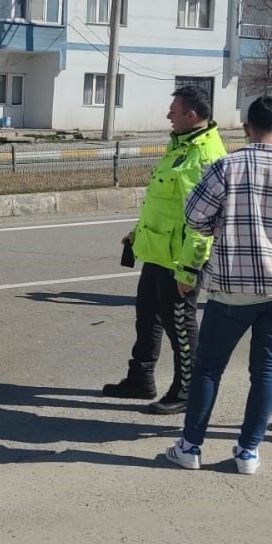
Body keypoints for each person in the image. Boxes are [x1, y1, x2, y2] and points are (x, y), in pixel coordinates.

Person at [165, 96, 272, 475]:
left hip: (233, 285)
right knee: (266, 370)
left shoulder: (227, 166)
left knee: (208, 368)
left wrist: (220, 225)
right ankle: (248, 452)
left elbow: (194, 215)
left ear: (247, 128)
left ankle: (190, 447)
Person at [102, 85, 228, 415]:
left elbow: (204, 220)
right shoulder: (180, 146)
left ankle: (188, 390)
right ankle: (140, 379)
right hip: (157, 252)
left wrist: (189, 270)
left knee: (180, 328)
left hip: (179, 260)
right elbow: (165, 203)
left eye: (174, 109)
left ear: (192, 115)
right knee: (147, 320)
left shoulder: (204, 156)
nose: (168, 114)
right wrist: (137, 234)